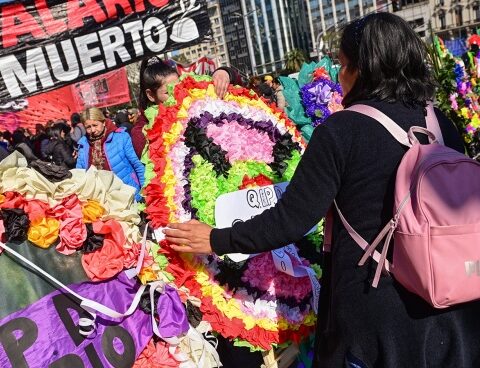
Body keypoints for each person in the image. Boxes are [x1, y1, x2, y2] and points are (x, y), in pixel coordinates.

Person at [164, 13, 480, 368]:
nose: (337, 76)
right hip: (454, 308)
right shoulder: (442, 124)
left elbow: (292, 219)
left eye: (342, 66)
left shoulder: (342, 131)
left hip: (380, 319)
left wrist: (217, 239)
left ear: (363, 69)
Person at [130, 56, 239, 158]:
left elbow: (236, 87)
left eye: (178, 87)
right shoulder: (141, 133)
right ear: (151, 95)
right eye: (168, 92)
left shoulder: (192, 102)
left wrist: (224, 72)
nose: (177, 95)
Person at [76, 107, 145, 201]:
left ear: (103, 122)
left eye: (95, 125)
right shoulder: (83, 146)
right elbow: (80, 175)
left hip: (128, 194)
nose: (92, 130)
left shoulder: (121, 137)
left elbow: (137, 165)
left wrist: (145, 190)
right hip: (101, 200)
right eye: (88, 127)